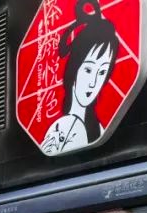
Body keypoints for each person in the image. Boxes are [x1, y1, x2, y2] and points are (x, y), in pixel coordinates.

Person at [40, 0, 119, 156]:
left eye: (102, 72)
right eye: (88, 69)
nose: (93, 83)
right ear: (74, 68)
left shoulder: (100, 130)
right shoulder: (61, 128)